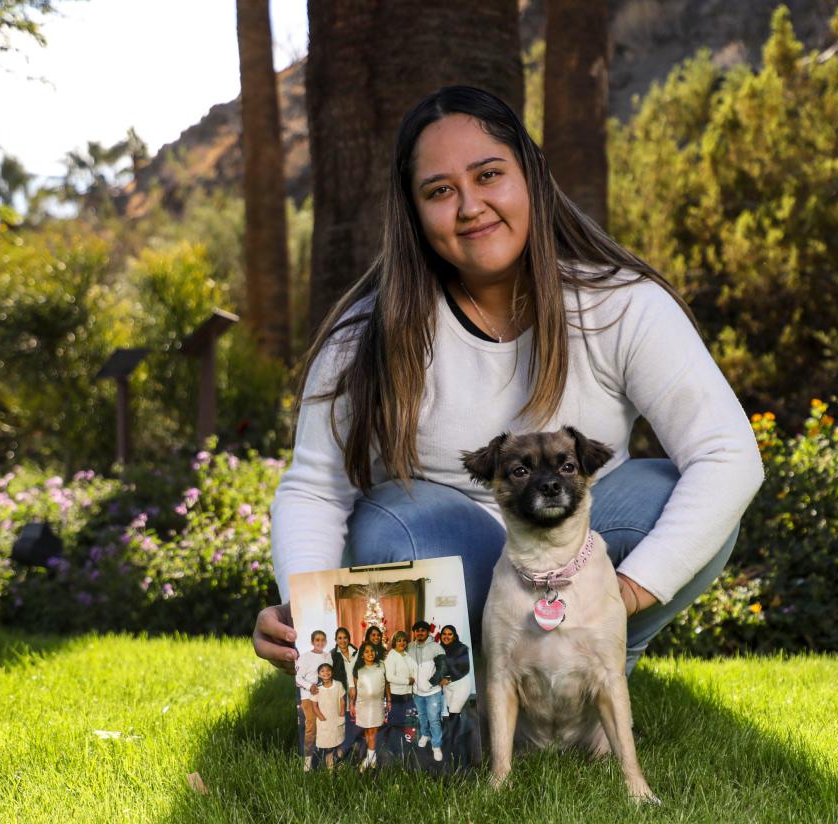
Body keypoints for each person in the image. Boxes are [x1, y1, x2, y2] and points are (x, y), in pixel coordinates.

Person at [253, 85, 764, 679]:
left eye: (488, 174)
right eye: (440, 191)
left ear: (533, 175)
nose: (470, 206)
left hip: (576, 558)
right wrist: (304, 609)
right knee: (396, 527)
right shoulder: (364, 337)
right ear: (414, 212)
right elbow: (315, 488)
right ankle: (453, 690)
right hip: (452, 558)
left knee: (662, 493)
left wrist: (620, 596)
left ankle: (591, 666)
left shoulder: (622, 305)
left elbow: (728, 455)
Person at [409, 620, 447, 761]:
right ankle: (425, 735)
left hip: (432, 692)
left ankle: (436, 746)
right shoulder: (409, 647)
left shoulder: (436, 647)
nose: (420, 632)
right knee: (422, 717)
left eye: (422, 630)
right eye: (417, 630)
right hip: (417, 692)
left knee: (434, 720)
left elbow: (443, 668)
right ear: (414, 632)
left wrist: (431, 683)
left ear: (427, 632)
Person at [293, 629, 330, 771]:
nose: (320, 642)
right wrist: (310, 686)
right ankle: (307, 761)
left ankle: (326, 758)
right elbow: (297, 678)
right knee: (311, 727)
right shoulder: (305, 657)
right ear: (312, 642)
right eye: (317, 640)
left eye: (322, 640)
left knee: (325, 725)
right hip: (308, 696)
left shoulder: (327, 656)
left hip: (324, 696)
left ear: (325, 642)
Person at [352, 641, 388, 770]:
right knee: (367, 730)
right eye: (366, 651)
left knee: (373, 730)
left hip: (377, 704)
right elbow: (355, 689)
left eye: (372, 651)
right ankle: (372, 757)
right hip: (363, 704)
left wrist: (388, 700)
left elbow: (387, 684)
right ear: (362, 655)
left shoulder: (381, 665)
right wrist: (352, 704)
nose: (370, 653)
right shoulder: (358, 670)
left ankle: (370, 758)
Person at [311, 662, 346, 770]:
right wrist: (322, 718)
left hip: (337, 719)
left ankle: (340, 768)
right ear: (318, 674)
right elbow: (314, 706)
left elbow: (342, 701)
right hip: (325, 721)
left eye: (328, 670)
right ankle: (330, 771)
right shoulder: (317, 689)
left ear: (332, 672)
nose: (326, 673)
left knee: (339, 744)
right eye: (322, 671)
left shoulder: (338, 685)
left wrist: (341, 714)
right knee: (328, 748)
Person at [437, 625, 471, 720]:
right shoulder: (439, 648)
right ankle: (455, 730)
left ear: (454, 636)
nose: (446, 636)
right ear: (441, 635)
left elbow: (465, 668)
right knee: (449, 709)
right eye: (444, 634)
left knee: (454, 712)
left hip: (461, 684)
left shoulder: (461, 649)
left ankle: (456, 733)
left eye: (450, 634)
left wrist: (449, 678)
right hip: (448, 685)